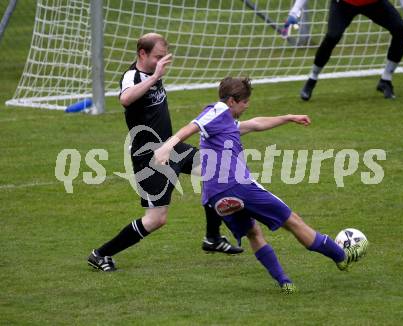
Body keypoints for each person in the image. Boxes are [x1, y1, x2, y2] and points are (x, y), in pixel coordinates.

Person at [154, 77, 368, 293]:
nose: (247, 105)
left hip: (216, 196)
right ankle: (342, 257)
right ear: (231, 101)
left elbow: (255, 124)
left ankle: (284, 282)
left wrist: (288, 117)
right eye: (244, 101)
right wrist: (166, 148)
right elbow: (190, 126)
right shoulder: (217, 110)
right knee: (293, 221)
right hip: (237, 184)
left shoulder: (225, 121)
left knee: (253, 233)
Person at [87, 33, 242, 272]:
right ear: (142, 54)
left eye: (164, 58)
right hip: (149, 157)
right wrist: (156, 76)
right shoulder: (134, 76)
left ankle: (212, 238)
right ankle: (100, 254)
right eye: (158, 57)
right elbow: (125, 99)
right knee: (156, 219)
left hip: (171, 147)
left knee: (218, 172)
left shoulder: (151, 73)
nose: (162, 62)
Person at [281, 0, 403, 100]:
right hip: (344, 4)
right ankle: (312, 79)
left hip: (374, 3)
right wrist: (294, 12)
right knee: (332, 36)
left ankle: (386, 80)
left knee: (401, 31)